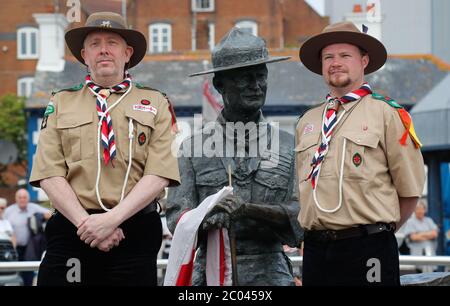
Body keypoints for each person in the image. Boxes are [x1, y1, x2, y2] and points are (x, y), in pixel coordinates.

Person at [29, 12, 180, 286]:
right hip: (73, 230)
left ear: (127, 53)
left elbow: (160, 173)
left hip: (133, 232)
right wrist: (88, 224)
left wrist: (111, 220)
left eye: (112, 42)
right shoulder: (61, 102)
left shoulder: (156, 102)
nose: (104, 50)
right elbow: (49, 172)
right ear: (85, 55)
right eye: (95, 43)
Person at [166, 27, 303, 286]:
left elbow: (301, 218)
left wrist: (248, 210)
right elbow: (176, 218)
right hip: (212, 273)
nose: (256, 85)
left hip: (271, 274)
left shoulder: (288, 146)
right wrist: (205, 217)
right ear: (219, 84)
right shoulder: (193, 148)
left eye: (261, 76)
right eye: (244, 78)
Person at [296, 21, 426, 286]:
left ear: (364, 61)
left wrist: (374, 233)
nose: (335, 63)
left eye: (345, 55)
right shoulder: (307, 121)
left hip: (368, 247)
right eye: (328, 57)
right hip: (316, 250)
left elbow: (410, 191)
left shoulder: (388, 114)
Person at [4, 189, 51, 286]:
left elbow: (50, 214)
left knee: (28, 273)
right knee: (12, 273)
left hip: (29, 248)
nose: (22, 200)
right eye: (20, 197)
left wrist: (42, 216)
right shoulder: (9, 211)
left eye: (24, 197)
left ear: (28, 199)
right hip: (13, 248)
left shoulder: (33, 207)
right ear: (16, 199)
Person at [403, 200, 438, 272]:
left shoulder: (429, 220)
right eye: (418, 209)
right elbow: (413, 237)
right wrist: (428, 234)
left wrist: (420, 234)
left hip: (430, 254)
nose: (420, 211)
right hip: (417, 256)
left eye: (422, 209)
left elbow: (434, 234)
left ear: (425, 210)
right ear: (414, 210)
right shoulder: (410, 222)